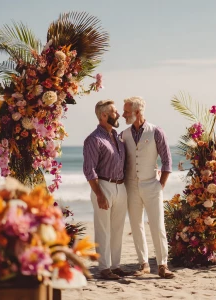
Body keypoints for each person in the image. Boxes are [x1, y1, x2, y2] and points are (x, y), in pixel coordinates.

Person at [121, 96, 174, 279]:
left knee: (158, 226)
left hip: (152, 184)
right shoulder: (124, 134)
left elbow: (167, 161)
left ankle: (162, 265)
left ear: (137, 112)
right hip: (131, 185)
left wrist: (161, 185)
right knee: (136, 225)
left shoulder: (156, 132)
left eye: (126, 111)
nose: (123, 115)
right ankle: (143, 264)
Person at [83, 99, 130, 280]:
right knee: (103, 228)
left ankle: (115, 265)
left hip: (121, 186)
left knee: (117, 228)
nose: (118, 115)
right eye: (114, 112)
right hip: (103, 186)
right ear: (104, 115)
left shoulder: (118, 137)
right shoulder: (93, 139)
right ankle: (104, 268)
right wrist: (99, 194)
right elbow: (89, 170)